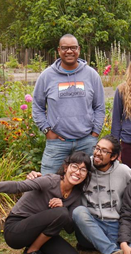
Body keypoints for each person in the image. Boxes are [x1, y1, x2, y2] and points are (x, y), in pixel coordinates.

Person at [70, 135, 131, 254]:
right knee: (79, 212)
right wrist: (37, 176)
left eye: (104, 151)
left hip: (115, 225)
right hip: (90, 224)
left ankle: (102, 245)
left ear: (114, 156)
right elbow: (64, 175)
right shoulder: (85, 165)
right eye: (97, 148)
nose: (97, 153)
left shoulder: (123, 171)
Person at [33, 34, 105, 175]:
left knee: (90, 183)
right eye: (65, 48)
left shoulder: (91, 75)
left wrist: (95, 133)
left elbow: (100, 106)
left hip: (86, 142)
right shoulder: (46, 76)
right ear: (59, 50)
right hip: (57, 144)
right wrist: (47, 131)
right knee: (48, 182)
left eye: (73, 47)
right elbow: (37, 107)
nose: (69, 51)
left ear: (79, 49)